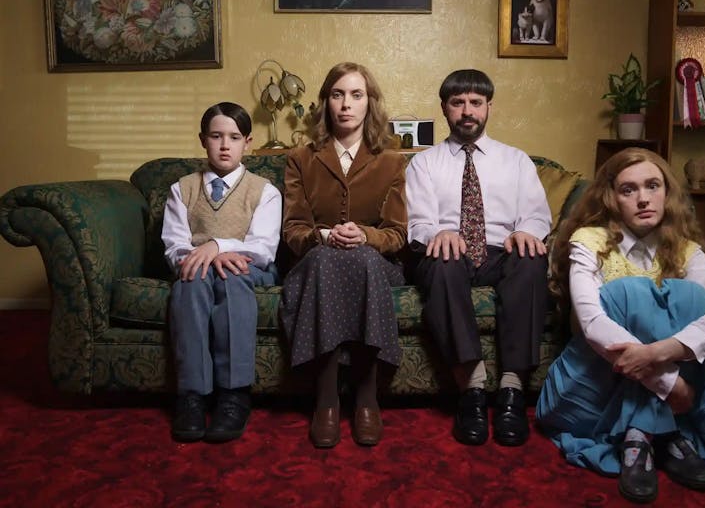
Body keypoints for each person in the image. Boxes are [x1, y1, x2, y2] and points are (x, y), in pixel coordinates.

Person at [536, 148, 705, 503]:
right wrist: (670, 384)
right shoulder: (589, 241)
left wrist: (657, 352)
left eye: (652, 186)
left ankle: (640, 434)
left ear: (667, 193)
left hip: (650, 382)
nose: (643, 199)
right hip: (593, 387)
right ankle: (667, 436)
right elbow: (592, 325)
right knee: (630, 293)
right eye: (628, 190)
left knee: (696, 299)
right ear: (611, 198)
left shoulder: (687, 251)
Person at [406, 69, 552, 446]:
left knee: (532, 257)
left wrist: (526, 232)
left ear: (489, 107)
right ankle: (471, 391)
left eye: (475, 102)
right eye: (458, 103)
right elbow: (418, 221)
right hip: (448, 251)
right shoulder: (424, 163)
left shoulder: (516, 160)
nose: (467, 111)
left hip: (501, 250)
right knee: (442, 259)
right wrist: (438, 232)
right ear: (444, 109)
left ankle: (511, 390)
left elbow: (537, 215)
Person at [280, 62, 407, 448]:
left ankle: (367, 397)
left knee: (364, 258)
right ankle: (327, 399)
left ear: (370, 104)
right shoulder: (301, 158)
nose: (346, 105)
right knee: (324, 260)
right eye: (337, 95)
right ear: (325, 102)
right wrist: (323, 236)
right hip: (317, 262)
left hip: (376, 265)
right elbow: (293, 230)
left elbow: (397, 234)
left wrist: (364, 236)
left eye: (356, 95)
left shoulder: (391, 160)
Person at [162, 102, 282, 442]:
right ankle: (192, 394)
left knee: (230, 278)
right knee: (191, 278)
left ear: (248, 142)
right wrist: (202, 257)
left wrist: (218, 246)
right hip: (196, 267)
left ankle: (234, 393)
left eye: (233, 137)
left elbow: (262, 249)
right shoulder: (182, 188)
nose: (225, 145)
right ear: (203, 140)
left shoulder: (264, 191)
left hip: (248, 270)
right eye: (216, 136)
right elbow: (174, 245)